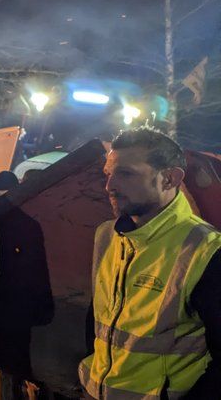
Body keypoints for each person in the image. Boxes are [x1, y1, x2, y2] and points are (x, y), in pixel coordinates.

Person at [78, 128, 221, 400]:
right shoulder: (107, 236)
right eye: (109, 174)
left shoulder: (206, 249)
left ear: (169, 178)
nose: (110, 186)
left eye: (126, 173)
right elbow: (98, 322)